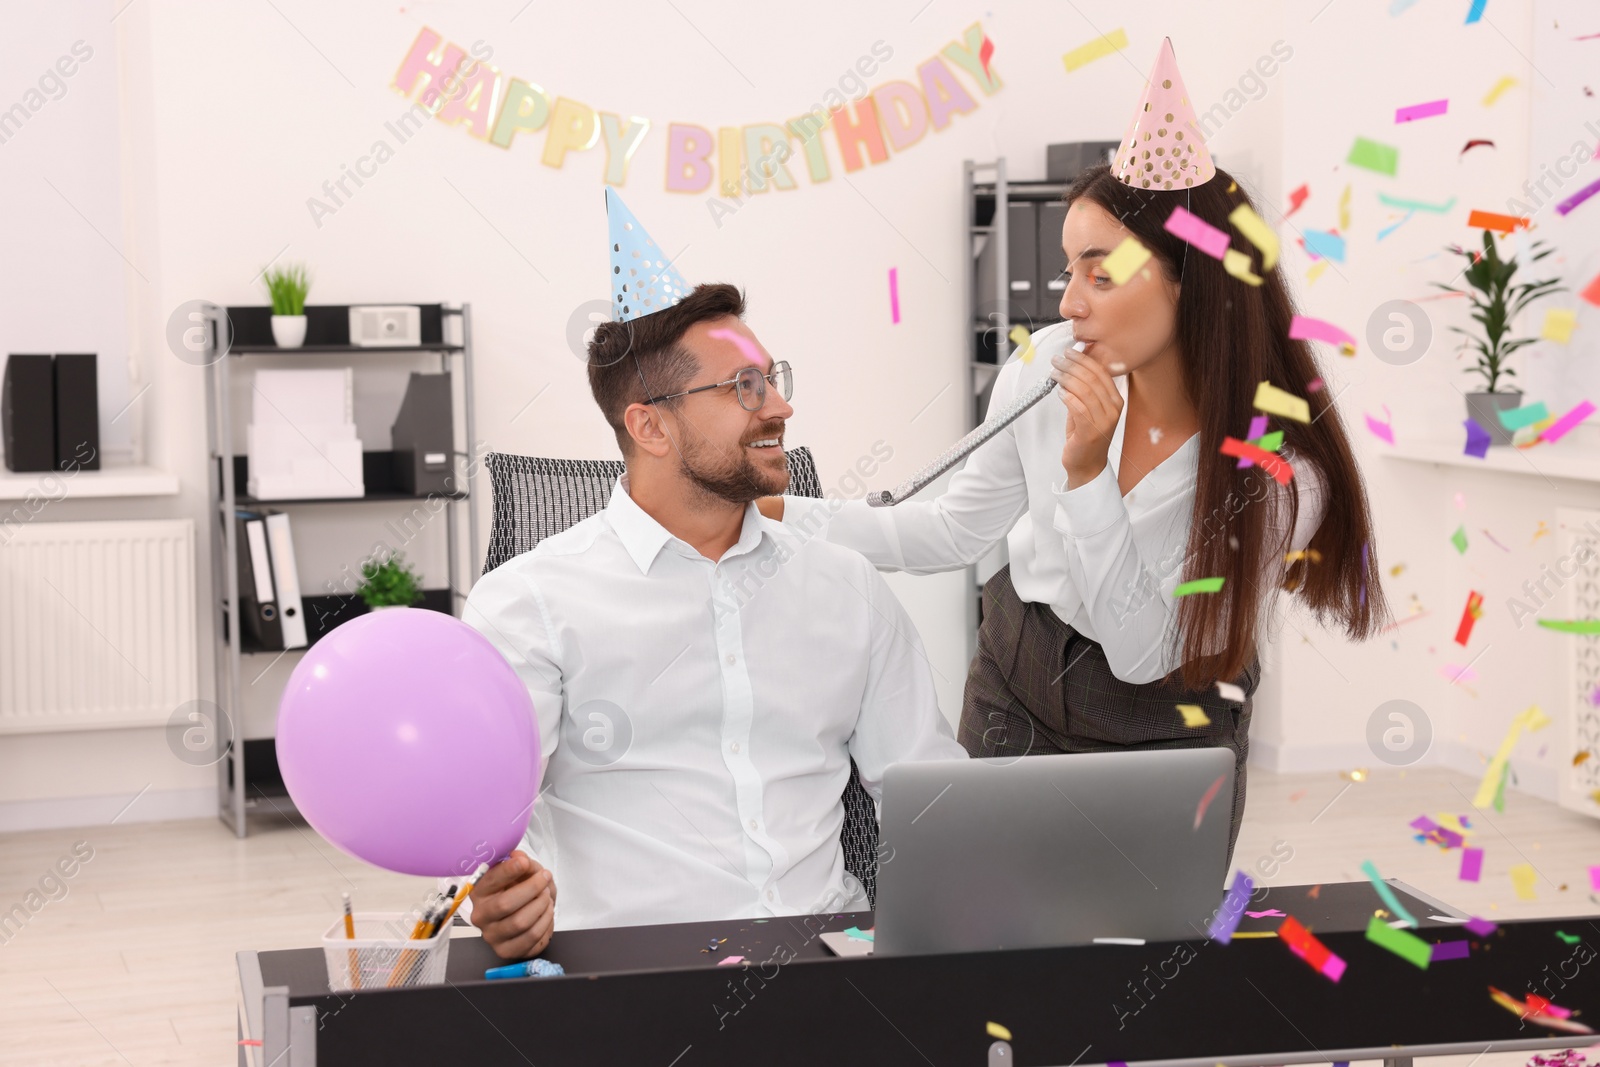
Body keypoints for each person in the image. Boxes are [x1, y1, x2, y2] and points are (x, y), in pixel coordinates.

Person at [758, 40, 1387, 863]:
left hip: (1167, 726)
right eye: (1068, 269)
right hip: (1015, 682)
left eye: (1099, 273)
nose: (1066, 300)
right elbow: (951, 531)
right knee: (981, 934)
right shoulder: (1042, 367)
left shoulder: (1280, 472)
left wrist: (1088, 476)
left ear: (1188, 279)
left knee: (1135, 965)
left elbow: (1145, 653)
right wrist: (782, 513)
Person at [460, 192, 965, 960]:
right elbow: (482, 827)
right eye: (744, 388)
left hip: (833, 970)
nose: (781, 407)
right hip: (631, 980)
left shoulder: (846, 588)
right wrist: (494, 894)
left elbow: (934, 802)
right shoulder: (528, 603)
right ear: (650, 424)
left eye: (772, 378)